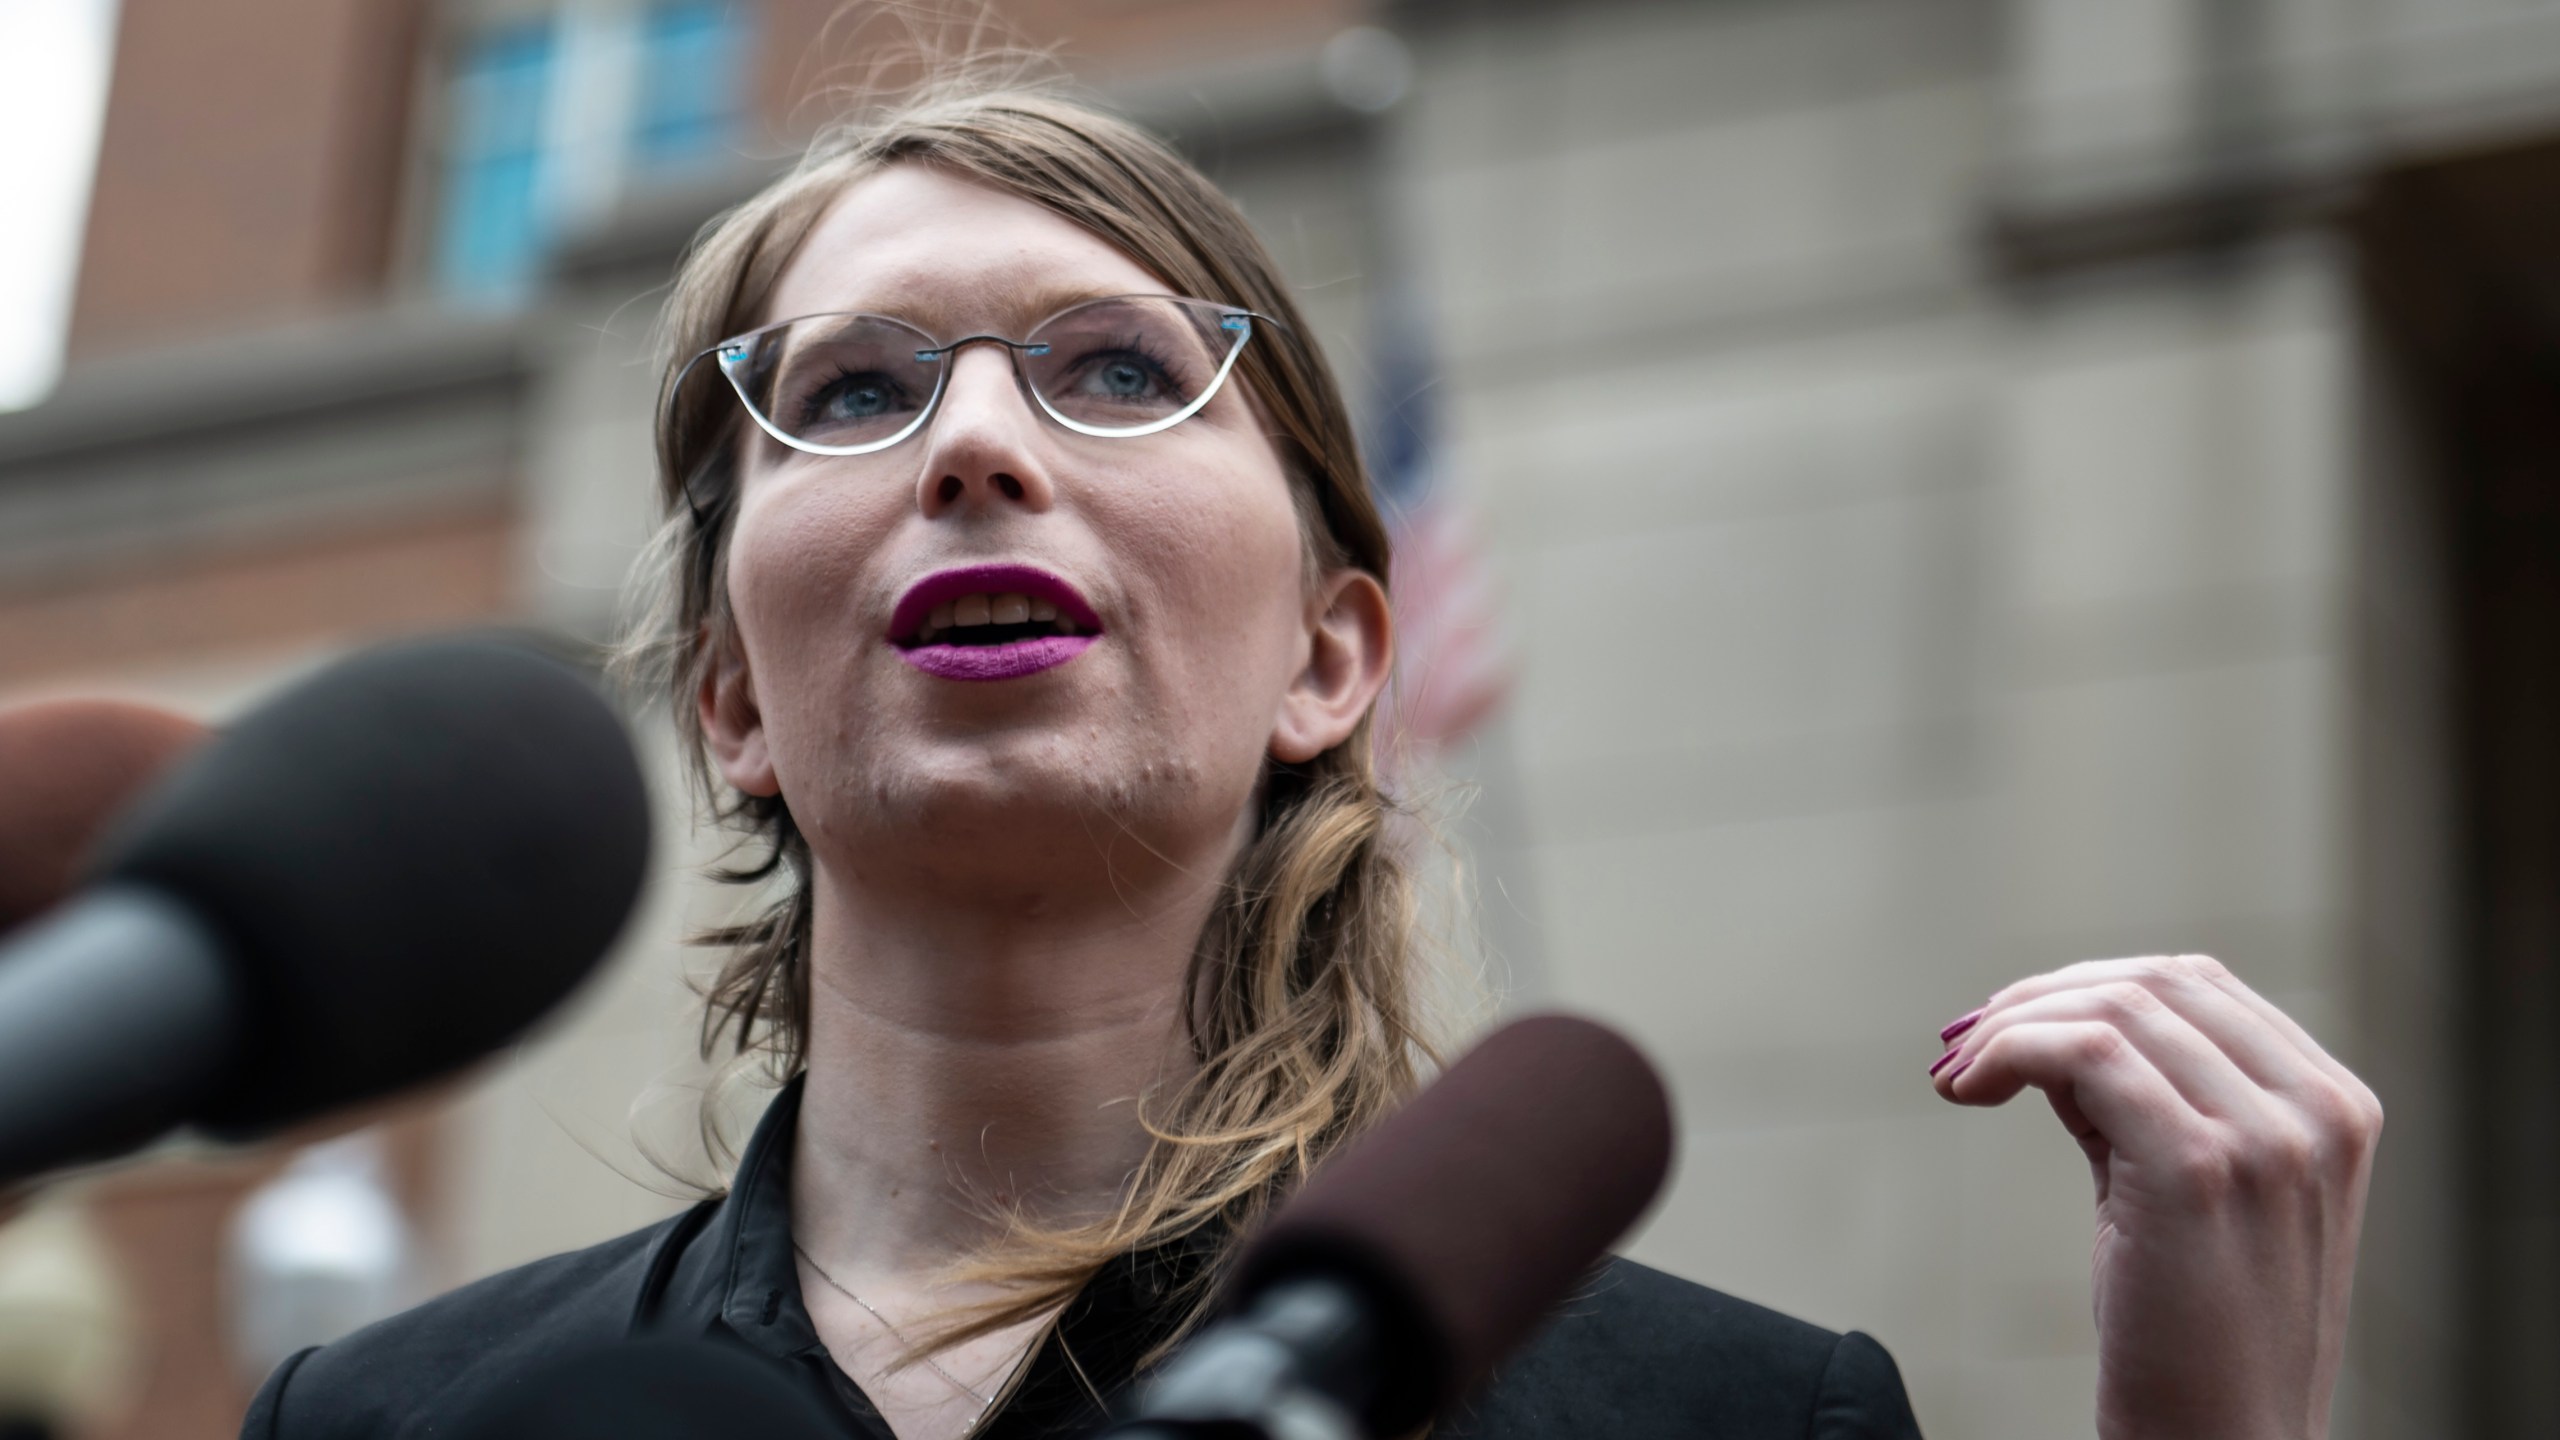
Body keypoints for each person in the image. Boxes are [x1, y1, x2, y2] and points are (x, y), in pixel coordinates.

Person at [238, 80, 2381, 1440]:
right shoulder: (388, 1419)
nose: (977, 442)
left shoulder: (1729, 1419)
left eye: (1111, 368)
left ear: (1332, 656)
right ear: (730, 701)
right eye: (858, 390)